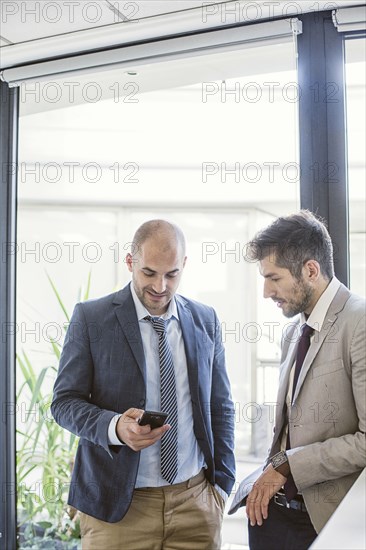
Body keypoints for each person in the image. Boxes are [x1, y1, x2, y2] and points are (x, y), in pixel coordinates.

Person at [51, 219, 235, 550]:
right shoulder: (91, 318)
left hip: (196, 504)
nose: (161, 286)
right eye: (149, 273)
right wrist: (115, 427)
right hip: (117, 511)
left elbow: (221, 404)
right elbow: (64, 403)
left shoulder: (205, 319)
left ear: (184, 266)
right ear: (130, 262)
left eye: (172, 274)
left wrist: (221, 486)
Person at [230, 210, 365, 550]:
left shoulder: (359, 323)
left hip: (327, 524)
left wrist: (289, 466)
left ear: (310, 270)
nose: (266, 292)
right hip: (272, 519)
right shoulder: (293, 332)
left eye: (273, 278)